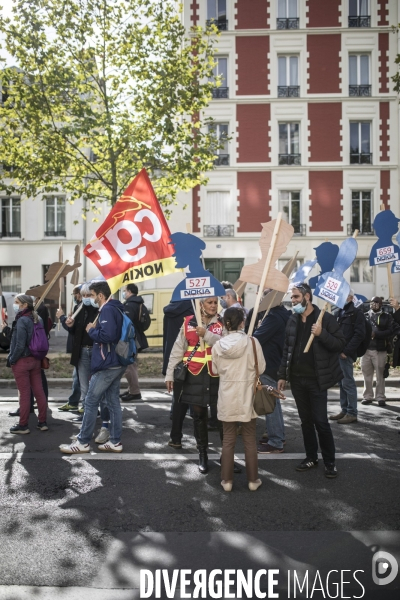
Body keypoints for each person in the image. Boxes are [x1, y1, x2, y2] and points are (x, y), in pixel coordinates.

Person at [277, 283, 345, 479]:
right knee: (305, 421)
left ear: (307, 297)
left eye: (297, 297)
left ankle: (330, 462)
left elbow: (340, 344)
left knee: (321, 421)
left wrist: (321, 334)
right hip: (297, 380)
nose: (293, 301)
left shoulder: (326, 318)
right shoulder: (292, 319)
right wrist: (282, 375)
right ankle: (310, 457)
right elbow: (287, 350)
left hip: (317, 380)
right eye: (293, 297)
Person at [60, 280, 127, 454]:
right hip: (115, 362)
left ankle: (83, 442)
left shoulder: (107, 309)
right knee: (113, 402)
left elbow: (108, 336)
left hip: (107, 364)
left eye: (92, 294)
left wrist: (91, 330)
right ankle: (115, 441)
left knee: (90, 401)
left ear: (100, 295)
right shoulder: (114, 307)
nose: (91, 298)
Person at [165, 297, 224, 473]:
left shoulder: (223, 322)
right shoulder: (188, 322)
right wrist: (169, 373)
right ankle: (203, 455)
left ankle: (226, 457)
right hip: (194, 375)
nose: (213, 306)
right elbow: (177, 349)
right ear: (200, 304)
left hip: (217, 375)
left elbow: (227, 345)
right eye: (209, 302)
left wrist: (206, 334)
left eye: (215, 302)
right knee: (199, 417)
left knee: (222, 418)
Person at [212, 307, 265, 492]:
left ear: (224, 323)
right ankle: (253, 480)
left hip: (227, 394)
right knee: (250, 438)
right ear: (242, 322)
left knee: (228, 439)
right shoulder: (252, 342)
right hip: (247, 394)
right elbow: (262, 368)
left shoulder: (218, 345)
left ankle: (226, 481)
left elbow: (215, 371)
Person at [58, 283, 111, 444]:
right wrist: (68, 324)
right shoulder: (78, 308)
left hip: (96, 352)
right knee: (85, 387)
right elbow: (74, 332)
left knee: (99, 388)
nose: (87, 299)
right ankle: (88, 415)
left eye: (90, 295)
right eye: (85, 296)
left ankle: (104, 420)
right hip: (81, 352)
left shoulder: (102, 309)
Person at [5, 294, 48, 434]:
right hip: (35, 360)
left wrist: (12, 359)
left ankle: (23, 425)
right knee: (39, 391)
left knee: (24, 394)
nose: (15, 305)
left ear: (24, 305)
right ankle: (42, 422)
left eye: (17, 302)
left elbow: (19, 344)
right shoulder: (37, 318)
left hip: (22, 361)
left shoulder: (22, 320)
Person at [253, 301, 291, 453]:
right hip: (276, 362)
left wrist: (259, 327)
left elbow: (255, 339)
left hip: (268, 364)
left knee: (270, 403)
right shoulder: (284, 314)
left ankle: (275, 441)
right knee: (274, 402)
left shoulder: (273, 317)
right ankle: (279, 436)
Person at [331, 289, 366, 424]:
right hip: (338, 353)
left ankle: (352, 413)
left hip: (345, 354)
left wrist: (346, 351)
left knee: (348, 383)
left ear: (351, 298)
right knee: (341, 383)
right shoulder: (340, 312)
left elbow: (359, 335)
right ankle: (344, 410)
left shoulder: (356, 313)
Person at [361, 297, 393, 407]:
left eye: (376, 302)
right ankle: (368, 396)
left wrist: (376, 334)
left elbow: (390, 331)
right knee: (367, 375)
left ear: (381, 304)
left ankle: (380, 397)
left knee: (380, 375)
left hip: (380, 350)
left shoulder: (387, 316)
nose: (373, 304)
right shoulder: (364, 316)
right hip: (366, 350)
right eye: (372, 302)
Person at [121, 283, 149, 401]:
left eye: (124, 290)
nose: (123, 293)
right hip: (138, 338)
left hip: (130, 339)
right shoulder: (140, 303)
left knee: (129, 366)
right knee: (132, 365)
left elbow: (126, 323)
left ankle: (135, 392)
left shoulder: (129, 305)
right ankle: (131, 389)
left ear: (129, 291)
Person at [58, 285, 83, 414]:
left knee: (79, 378)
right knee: (77, 377)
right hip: (77, 347)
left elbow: (72, 329)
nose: (74, 297)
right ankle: (74, 402)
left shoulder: (81, 307)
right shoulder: (77, 307)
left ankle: (79, 404)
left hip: (79, 348)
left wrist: (62, 318)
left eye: (74, 294)